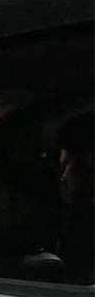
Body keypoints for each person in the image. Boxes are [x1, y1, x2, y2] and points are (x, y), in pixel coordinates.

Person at [55, 111, 94, 284]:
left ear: (89, 160)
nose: (63, 176)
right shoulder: (80, 216)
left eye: (67, 164)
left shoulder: (83, 224)